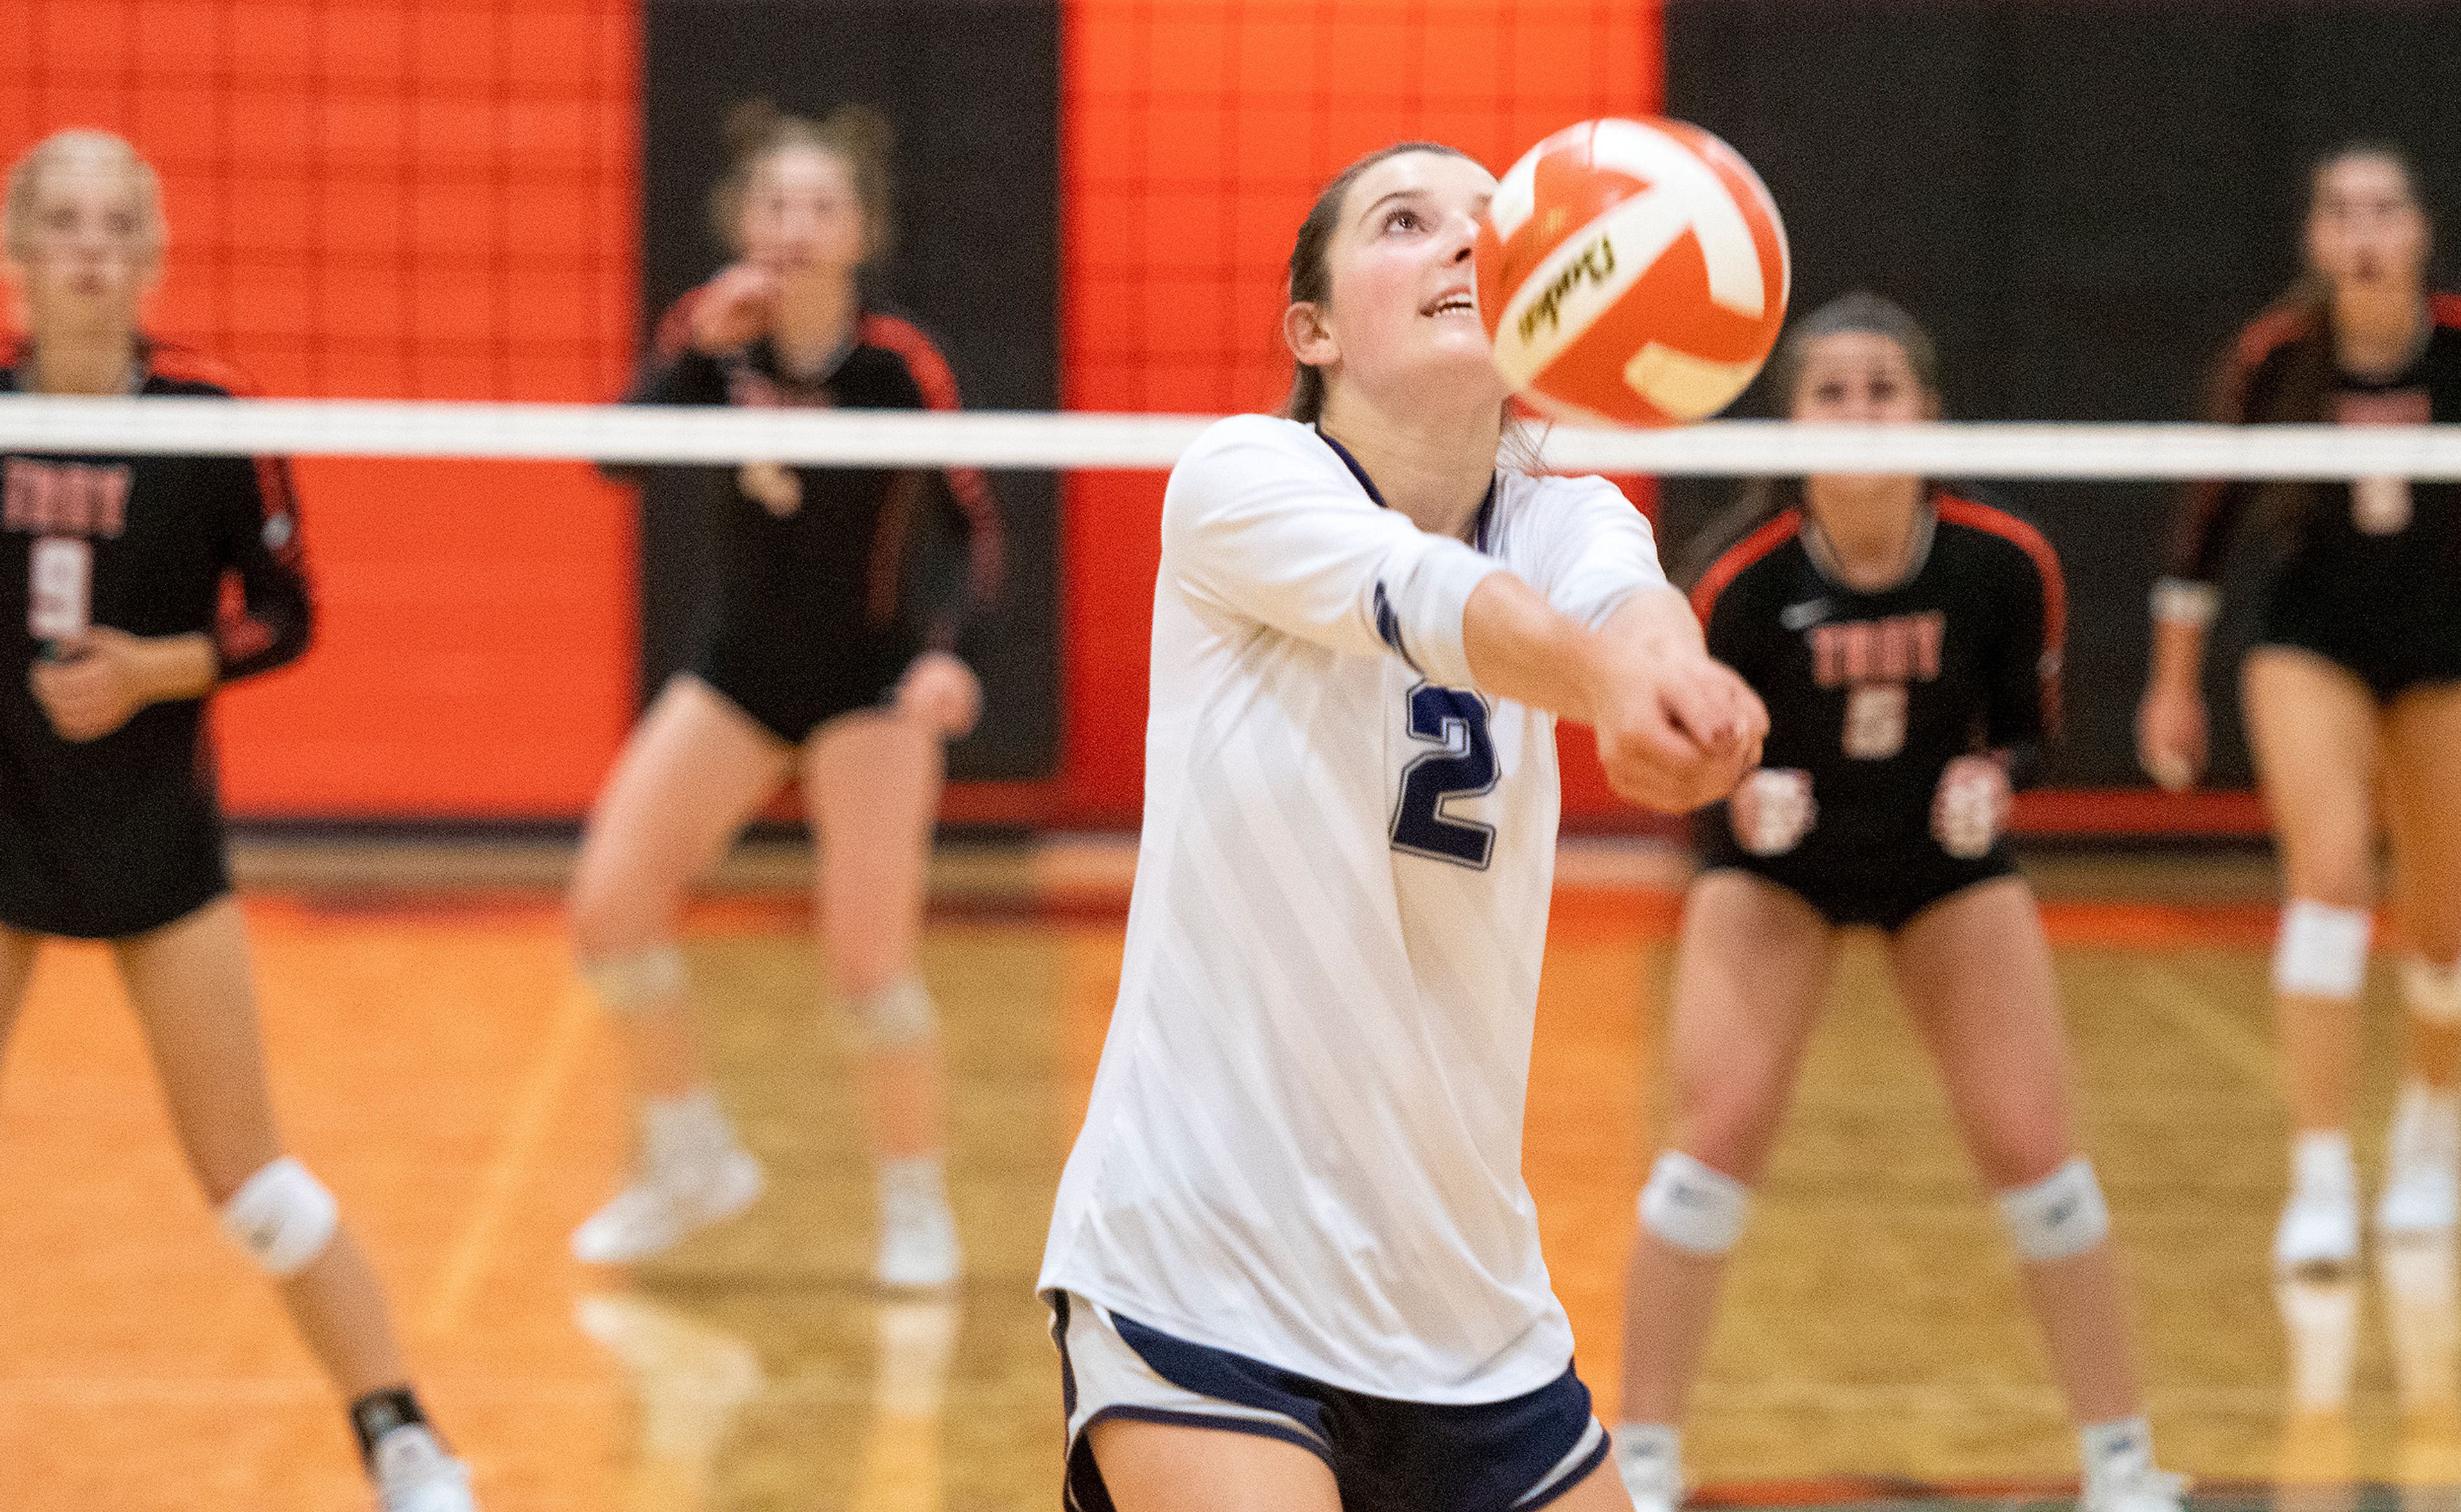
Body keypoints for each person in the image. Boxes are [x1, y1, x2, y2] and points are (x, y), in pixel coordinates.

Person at [1037, 141, 1767, 1512]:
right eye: (1406, 223)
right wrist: (1611, 683)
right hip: (1206, 1268)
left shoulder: (1565, 514)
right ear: (1311, 329)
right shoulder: (1241, 480)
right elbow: (1425, 597)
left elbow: (1627, 604)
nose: (1462, 246)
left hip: (1464, 1304)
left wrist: (1679, 683)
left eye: (1490, 228)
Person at [1612, 295, 2182, 1512]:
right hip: (1779, 872)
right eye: (1832, 391)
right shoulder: (1740, 582)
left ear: (1929, 412)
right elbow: (1686, 752)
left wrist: (1995, 777)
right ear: (1790, 423)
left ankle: (2123, 1462)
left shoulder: (2001, 561)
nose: (1860, 412)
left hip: (1937, 863)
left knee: (2037, 1152)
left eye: (1884, 389)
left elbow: (2031, 735)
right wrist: (1733, 799)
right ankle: (1644, 1457)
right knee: (1713, 1142)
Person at [0, 130, 477, 1511]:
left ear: (152, 255)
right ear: (20, 251)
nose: (90, 250)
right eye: (63, 224)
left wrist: (150, 672)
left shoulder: (208, 414)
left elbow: (290, 619)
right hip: (5, 833)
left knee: (249, 1179)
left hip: (154, 839)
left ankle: (403, 1437)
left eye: (116, 227)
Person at [568, 102, 1001, 1286]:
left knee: (869, 966)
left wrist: (950, 651)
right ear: (740, 222)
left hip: (870, 682)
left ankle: (914, 1203)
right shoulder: (714, 341)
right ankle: (689, 1156)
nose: (796, 228)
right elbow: (617, 456)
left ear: (860, 231)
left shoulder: (897, 367)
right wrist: (691, 350)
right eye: (775, 205)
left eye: (821, 207)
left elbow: (971, 528)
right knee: (609, 913)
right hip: (741, 672)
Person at [2138, 143, 2461, 1271]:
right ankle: (2320, 1174)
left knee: (2446, 930)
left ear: (2420, 232)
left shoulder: (2460, 347)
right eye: (2342, 211)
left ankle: (2430, 1135)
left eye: (2386, 208)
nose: (2365, 231)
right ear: (2318, 240)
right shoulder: (2278, 358)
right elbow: (2204, 529)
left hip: (2448, 648)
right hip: (2310, 639)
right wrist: (2174, 684)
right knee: (2329, 878)